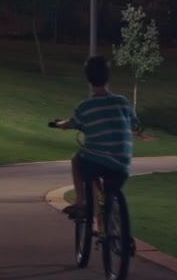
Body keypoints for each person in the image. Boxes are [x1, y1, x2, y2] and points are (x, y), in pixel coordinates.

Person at [52, 55, 141, 218]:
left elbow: (71, 123)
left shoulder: (85, 107)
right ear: (108, 77)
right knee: (110, 186)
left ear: (88, 78)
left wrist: (58, 124)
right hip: (122, 165)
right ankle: (117, 228)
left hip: (95, 162)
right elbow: (134, 123)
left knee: (77, 160)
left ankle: (80, 203)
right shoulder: (122, 102)